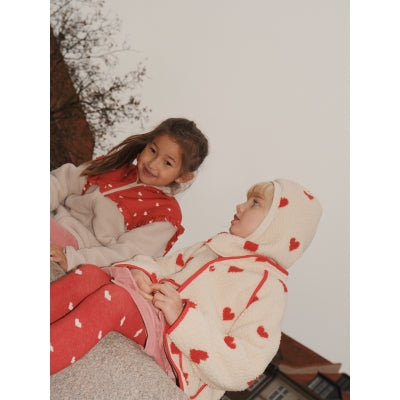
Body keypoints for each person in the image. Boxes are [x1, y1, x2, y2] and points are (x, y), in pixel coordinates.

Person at [50, 178, 322, 400]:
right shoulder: (213, 248)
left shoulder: (269, 288)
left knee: (115, 300)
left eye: (255, 203)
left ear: (276, 226)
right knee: (90, 276)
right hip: (151, 319)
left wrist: (183, 317)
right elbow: (162, 265)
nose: (239, 206)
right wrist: (142, 274)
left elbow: (245, 366)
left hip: (181, 360)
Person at [50, 117, 209, 272]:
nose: (152, 164)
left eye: (167, 163)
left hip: (80, 252)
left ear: (183, 176)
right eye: (153, 150)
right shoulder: (115, 167)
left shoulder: (164, 213)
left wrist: (73, 259)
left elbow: (127, 254)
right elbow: (61, 182)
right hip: (54, 218)